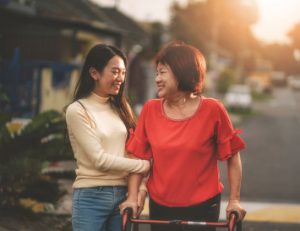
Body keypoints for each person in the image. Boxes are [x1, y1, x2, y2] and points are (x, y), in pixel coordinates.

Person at [120, 41, 247, 231]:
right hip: (161, 205)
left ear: (182, 72)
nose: (157, 79)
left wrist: (234, 200)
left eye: (162, 72)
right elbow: (138, 157)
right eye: (156, 73)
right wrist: (132, 197)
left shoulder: (213, 109)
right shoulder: (150, 110)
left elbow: (232, 156)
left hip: (203, 205)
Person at [65, 44, 150, 231]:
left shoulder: (121, 107)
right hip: (91, 197)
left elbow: (131, 150)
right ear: (94, 73)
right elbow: (99, 160)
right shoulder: (77, 110)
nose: (120, 78)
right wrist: (145, 165)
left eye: (123, 73)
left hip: (123, 195)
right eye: (114, 72)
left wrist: (139, 189)